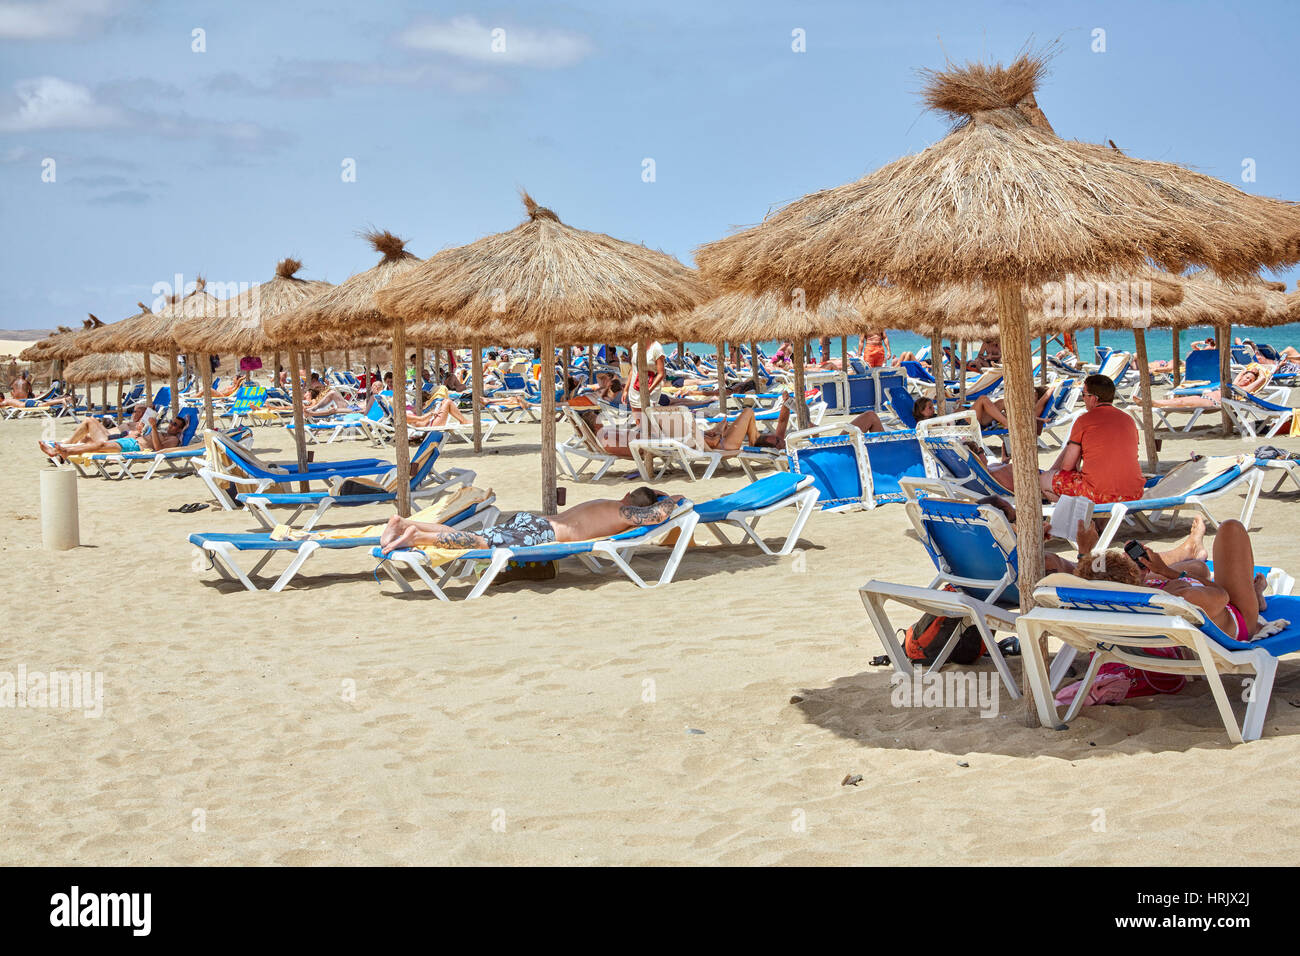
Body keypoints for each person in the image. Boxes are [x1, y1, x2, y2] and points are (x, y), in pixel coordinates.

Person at [1070, 517, 1268, 642]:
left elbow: (1086, 579)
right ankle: (1256, 595)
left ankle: (1191, 548)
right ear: (1133, 577)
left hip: (1160, 608)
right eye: (1129, 565)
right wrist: (1167, 572)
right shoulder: (1184, 595)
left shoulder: (1101, 597)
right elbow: (1222, 595)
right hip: (1237, 620)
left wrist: (1084, 553)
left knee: (1198, 567)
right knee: (1231, 528)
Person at [379, 487, 680, 553]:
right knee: (483, 544)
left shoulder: (605, 502)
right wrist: (675, 499)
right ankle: (417, 536)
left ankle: (403, 523)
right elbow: (656, 515)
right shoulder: (620, 514)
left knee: (487, 536)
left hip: (532, 522)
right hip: (543, 534)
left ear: (627, 493)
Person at [1038, 373, 1144, 502]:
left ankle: (1084, 518)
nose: (1083, 398)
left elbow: (1067, 466)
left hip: (1098, 493)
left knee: (1043, 480)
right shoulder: (1128, 420)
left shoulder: (1084, 421)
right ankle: (1099, 520)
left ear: (1093, 398)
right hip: (1134, 493)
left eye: (1084, 395)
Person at [40, 413, 187, 461]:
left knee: (101, 445)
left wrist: (154, 428)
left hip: (134, 446)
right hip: (130, 440)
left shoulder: (174, 440)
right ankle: (63, 450)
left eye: (175, 425)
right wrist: (142, 431)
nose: (171, 425)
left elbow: (159, 449)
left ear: (180, 429)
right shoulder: (164, 432)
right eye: (171, 422)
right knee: (92, 440)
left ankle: (63, 451)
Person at [1151, 364, 1270, 409]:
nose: (1246, 380)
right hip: (1205, 397)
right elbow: (1241, 373)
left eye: (1250, 380)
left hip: (1213, 402)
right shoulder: (1235, 383)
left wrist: (1259, 373)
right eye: (1246, 377)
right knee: (1179, 400)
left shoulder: (1245, 390)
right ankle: (1154, 404)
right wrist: (1249, 370)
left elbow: (1263, 379)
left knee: (1182, 401)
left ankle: (1155, 403)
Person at [849, 396, 937, 433]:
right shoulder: (921, 423)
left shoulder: (930, 420)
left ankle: (840, 442)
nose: (933, 409)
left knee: (870, 415)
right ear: (921, 411)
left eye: (933, 407)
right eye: (930, 407)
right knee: (870, 415)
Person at [628, 340, 667, 407]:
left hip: (651, 390)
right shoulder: (635, 347)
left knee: (647, 414)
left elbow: (661, 374)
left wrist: (649, 391)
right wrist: (626, 390)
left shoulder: (657, 348)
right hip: (635, 389)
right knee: (638, 415)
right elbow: (632, 370)